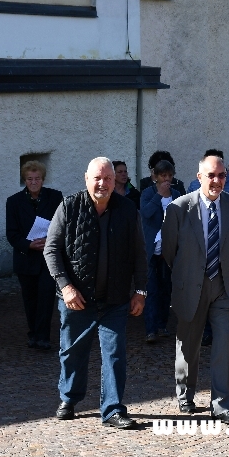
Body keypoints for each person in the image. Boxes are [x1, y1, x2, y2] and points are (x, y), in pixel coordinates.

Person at [44, 157, 147, 429]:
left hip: (115, 300)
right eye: (97, 178)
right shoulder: (69, 207)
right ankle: (69, 397)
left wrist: (140, 290)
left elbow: (139, 253)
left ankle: (112, 409)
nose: (103, 183)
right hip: (77, 299)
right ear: (86, 178)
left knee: (115, 354)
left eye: (108, 178)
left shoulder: (127, 209)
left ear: (115, 181)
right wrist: (66, 287)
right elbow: (51, 250)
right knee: (73, 352)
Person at [161, 155, 229, 425]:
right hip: (190, 285)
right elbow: (169, 252)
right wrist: (189, 272)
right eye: (211, 175)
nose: (217, 181)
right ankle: (185, 394)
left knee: (223, 345)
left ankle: (222, 404)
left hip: (223, 286)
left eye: (221, 176)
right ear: (199, 177)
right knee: (189, 345)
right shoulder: (178, 208)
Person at [6, 160, 63, 350]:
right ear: (24, 180)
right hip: (26, 257)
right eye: (30, 179)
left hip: (48, 257)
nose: (33, 182)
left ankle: (43, 336)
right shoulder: (14, 201)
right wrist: (29, 245)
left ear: (43, 179)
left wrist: (50, 241)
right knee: (30, 298)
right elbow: (12, 233)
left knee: (46, 296)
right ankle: (33, 333)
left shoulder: (55, 197)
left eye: (37, 178)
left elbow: (62, 225)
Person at [140, 160, 181, 343]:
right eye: (163, 176)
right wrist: (159, 196)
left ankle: (162, 325)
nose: (167, 179)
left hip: (169, 250)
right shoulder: (148, 193)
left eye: (169, 176)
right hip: (151, 248)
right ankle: (150, 329)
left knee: (166, 289)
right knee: (151, 290)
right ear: (155, 177)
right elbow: (146, 213)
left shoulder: (177, 194)